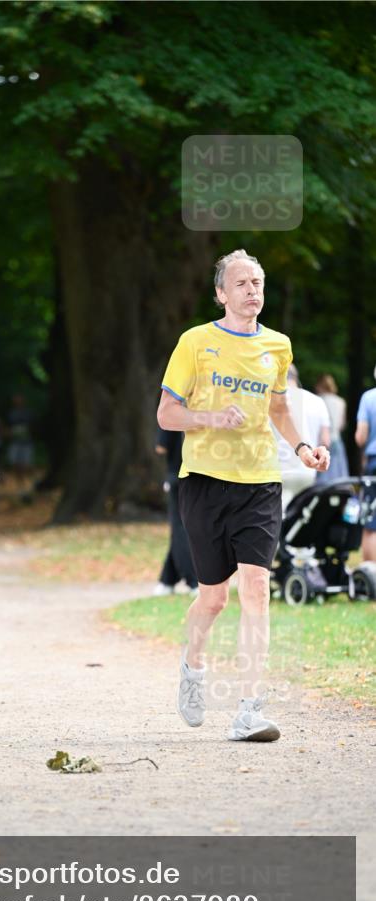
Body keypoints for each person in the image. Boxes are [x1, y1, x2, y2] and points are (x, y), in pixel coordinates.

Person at [157, 249, 330, 743]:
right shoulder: (195, 342)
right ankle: (193, 666)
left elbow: (277, 408)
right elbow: (167, 415)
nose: (252, 291)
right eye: (241, 284)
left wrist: (300, 448)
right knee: (213, 597)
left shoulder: (278, 346)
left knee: (256, 587)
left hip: (259, 480)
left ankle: (249, 709)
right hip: (204, 481)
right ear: (220, 293)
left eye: (257, 282)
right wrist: (211, 417)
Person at [273, 364, 331, 510]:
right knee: (297, 520)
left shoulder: (272, 400)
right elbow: (325, 441)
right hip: (307, 471)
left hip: (278, 469)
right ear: (296, 378)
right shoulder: (317, 401)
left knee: (277, 518)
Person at [152, 427, 198, 596]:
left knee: (181, 530)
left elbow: (160, 447)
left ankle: (194, 580)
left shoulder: (174, 407)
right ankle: (167, 580)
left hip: (178, 476)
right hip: (200, 477)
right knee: (184, 529)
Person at [355, 364, 376, 562]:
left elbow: (361, 437)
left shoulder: (369, 398)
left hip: (374, 460)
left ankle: (370, 575)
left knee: (371, 520)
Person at [315, 373, 349, 483]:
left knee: (322, 476)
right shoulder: (341, 401)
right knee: (339, 475)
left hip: (322, 441)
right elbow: (342, 425)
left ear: (320, 385)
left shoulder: (318, 400)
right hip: (337, 439)